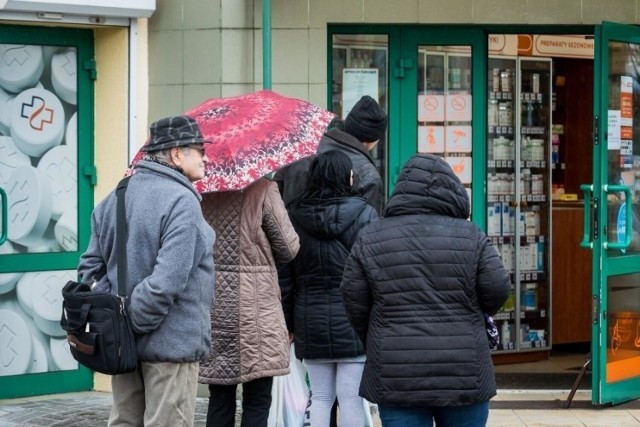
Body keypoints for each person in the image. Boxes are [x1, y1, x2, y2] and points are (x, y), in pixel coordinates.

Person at [341, 153, 511, 427]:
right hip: (464, 370)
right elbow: (498, 289)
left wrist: (376, 332)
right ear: (453, 191)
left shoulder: (371, 236)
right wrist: (470, 314)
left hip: (396, 370)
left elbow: (353, 297)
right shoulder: (471, 235)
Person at [77, 115, 216, 427]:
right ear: (176, 153)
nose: (206, 157)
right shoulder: (182, 202)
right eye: (199, 149)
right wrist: (133, 320)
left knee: (125, 422)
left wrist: (119, 321)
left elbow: (88, 272)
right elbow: (168, 281)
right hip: (170, 345)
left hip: (122, 346)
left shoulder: (114, 197)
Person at [280, 150, 379, 427]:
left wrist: (289, 322)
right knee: (350, 398)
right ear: (346, 177)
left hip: (309, 319)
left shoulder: (294, 215)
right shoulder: (365, 214)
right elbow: (374, 270)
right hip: (354, 318)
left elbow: (285, 276)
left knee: (320, 396)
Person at [199, 177, 300, 427]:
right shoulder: (264, 189)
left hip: (215, 305)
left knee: (220, 396)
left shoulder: (205, 190)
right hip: (257, 309)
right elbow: (289, 247)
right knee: (257, 398)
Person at [275, 95, 387, 215]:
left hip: (288, 230)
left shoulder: (304, 148)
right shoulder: (368, 175)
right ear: (373, 139)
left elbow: (274, 197)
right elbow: (370, 227)